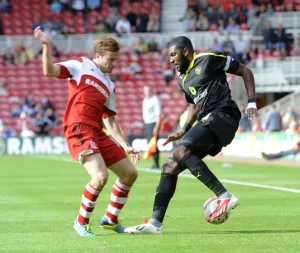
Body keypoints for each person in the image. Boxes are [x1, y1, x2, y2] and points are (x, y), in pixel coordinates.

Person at [125, 36, 258, 234]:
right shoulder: (182, 78)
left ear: (185, 51)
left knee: (180, 151)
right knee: (169, 166)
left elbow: (245, 70)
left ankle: (224, 195)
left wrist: (252, 101)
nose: (171, 60)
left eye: (173, 55)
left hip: (224, 114)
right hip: (208, 121)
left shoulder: (208, 59)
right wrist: (184, 130)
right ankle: (155, 224)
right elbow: (195, 105)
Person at [33, 26, 139, 236]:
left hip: (98, 132)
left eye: (116, 60)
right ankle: (81, 222)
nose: (114, 64)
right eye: (111, 59)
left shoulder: (109, 85)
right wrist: (46, 45)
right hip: (78, 127)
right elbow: (50, 70)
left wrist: (125, 145)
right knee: (100, 177)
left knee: (129, 174)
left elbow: (110, 119)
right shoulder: (81, 65)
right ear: (98, 56)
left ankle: (110, 218)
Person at [142, 85, 162, 169]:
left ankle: (156, 164)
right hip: (147, 123)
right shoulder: (145, 100)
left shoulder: (155, 100)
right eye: (145, 90)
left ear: (151, 90)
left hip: (153, 123)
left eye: (148, 90)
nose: (146, 92)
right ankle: (155, 163)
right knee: (151, 144)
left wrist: (156, 127)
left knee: (153, 144)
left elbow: (158, 114)